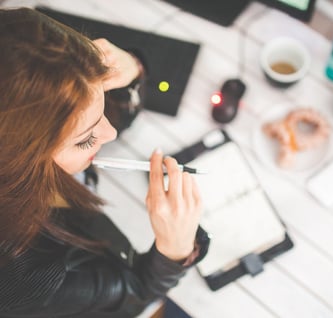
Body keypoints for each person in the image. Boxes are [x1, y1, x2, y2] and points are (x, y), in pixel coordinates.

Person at [0, 7, 209, 318]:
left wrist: (133, 69)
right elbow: (136, 296)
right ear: (20, 160)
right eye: (85, 139)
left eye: (102, 96)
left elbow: (92, 113)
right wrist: (174, 250)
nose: (110, 133)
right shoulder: (26, 275)